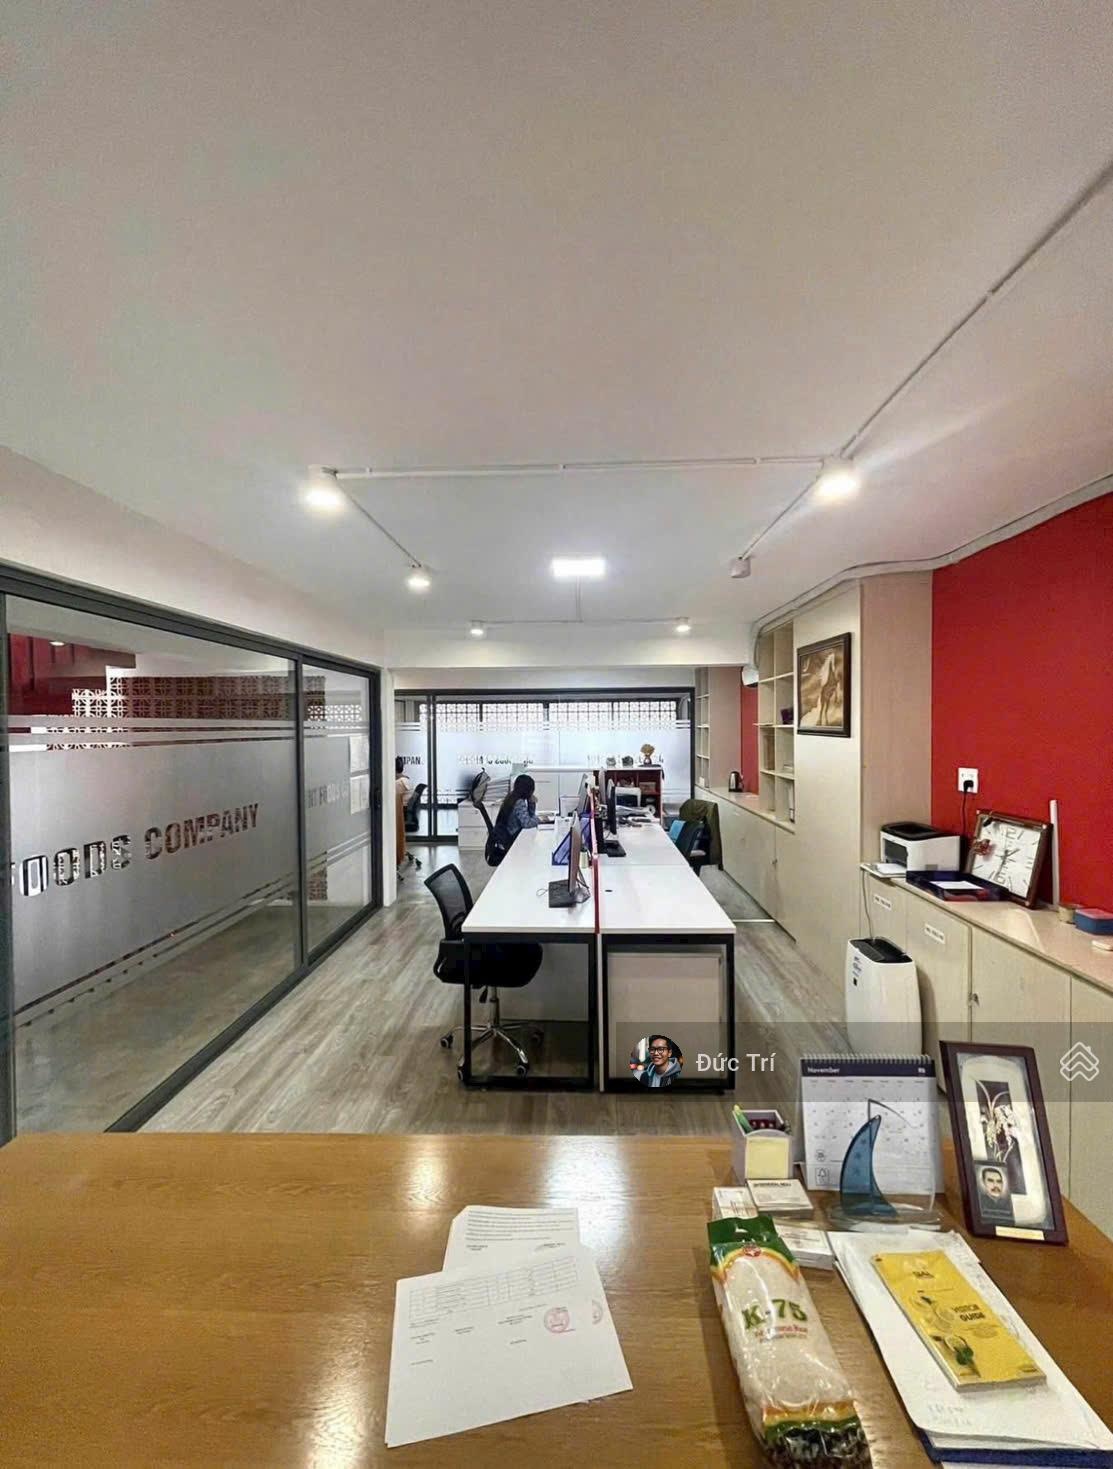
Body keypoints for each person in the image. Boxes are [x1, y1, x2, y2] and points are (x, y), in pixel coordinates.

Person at [494, 773, 541, 845]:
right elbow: (527, 823)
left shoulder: (512, 797)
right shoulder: (519, 802)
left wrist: (531, 803)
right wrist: (539, 820)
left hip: (507, 836)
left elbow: (529, 816)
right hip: (512, 838)